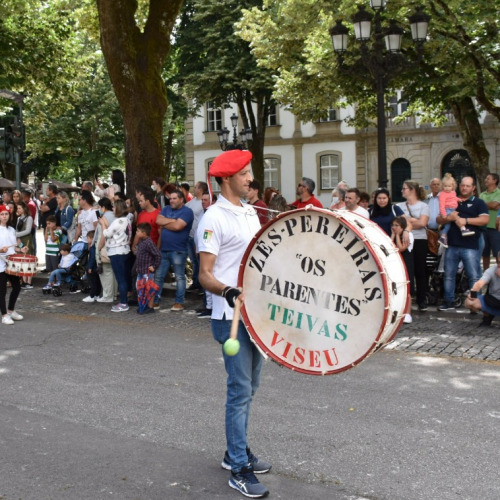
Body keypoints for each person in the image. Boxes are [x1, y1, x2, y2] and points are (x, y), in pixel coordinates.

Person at [198, 149, 271, 499]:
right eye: (244, 174)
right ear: (226, 179)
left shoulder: (249, 213)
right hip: (230, 318)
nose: (250, 179)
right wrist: (228, 292)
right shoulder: (213, 217)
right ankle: (239, 467)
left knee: (251, 387)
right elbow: (205, 275)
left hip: (256, 315)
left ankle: (233, 451)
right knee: (240, 390)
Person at [437, 176, 489, 311]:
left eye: (467, 186)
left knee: (474, 276)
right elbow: (438, 219)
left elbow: (484, 220)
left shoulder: (479, 202)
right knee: (449, 275)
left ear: (473, 188)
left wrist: (466, 221)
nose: (464, 188)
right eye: (462, 185)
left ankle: (475, 304)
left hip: (470, 245)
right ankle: (449, 302)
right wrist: (449, 218)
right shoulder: (452, 198)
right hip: (452, 245)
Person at [154, 190, 194, 311]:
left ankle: (179, 302)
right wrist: (173, 221)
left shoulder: (187, 211)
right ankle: (155, 300)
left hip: (178, 250)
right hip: (164, 249)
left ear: (182, 199)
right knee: (158, 276)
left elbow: (178, 227)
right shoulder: (166, 208)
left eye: (174, 198)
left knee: (179, 277)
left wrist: (166, 223)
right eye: (170, 198)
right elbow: (158, 220)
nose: (171, 200)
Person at [398, 180, 430, 312]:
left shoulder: (424, 206)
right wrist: (413, 221)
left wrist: (408, 221)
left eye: (404, 188)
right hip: (405, 240)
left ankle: (422, 299)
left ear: (412, 190)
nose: (402, 191)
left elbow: (423, 223)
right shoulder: (399, 206)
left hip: (420, 240)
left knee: (420, 270)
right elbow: (400, 223)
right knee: (406, 270)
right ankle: (407, 299)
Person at [100, 199, 133, 313]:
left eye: (114, 207)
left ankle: (123, 303)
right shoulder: (128, 220)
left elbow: (107, 234)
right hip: (125, 251)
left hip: (116, 252)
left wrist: (103, 224)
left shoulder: (118, 221)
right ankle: (125, 300)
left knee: (120, 278)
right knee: (124, 277)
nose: (112, 209)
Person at [0, 204, 25, 325]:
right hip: (0, 263)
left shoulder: (11, 229)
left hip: (11, 262)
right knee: (2, 290)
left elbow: (16, 244)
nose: (4, 216)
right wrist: (1, 250)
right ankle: (4, 315)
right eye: (2, 214)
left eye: (6, 214)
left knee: (17, 287)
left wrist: (22, 249)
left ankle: (10, 310)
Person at [438, 173, 474, 248]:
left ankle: (443, 237)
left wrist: (459, 199)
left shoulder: (453, 192)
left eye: (449, 186)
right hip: (447, 210)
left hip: (453, 209)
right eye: (445, 186)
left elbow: (454, 198)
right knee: (456, 219)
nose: (447, 188)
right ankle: (463, 229)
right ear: (442, 186)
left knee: (449, 224)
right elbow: (441, 205)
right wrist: (444, 214)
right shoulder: (442, 194)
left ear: (453, 186)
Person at [465, 252, 500, 327]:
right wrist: (472, 294)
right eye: (499, 262)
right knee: (469, 302)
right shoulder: (492, 270)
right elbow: (479, 283)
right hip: (493, 300)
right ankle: (487, 316)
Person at [134, 222, 161, 314]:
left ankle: (150, 306)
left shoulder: (149, 243)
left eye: (138, 231)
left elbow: (157, 255)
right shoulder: (141, 241)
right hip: (140, 270)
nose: (136, 233)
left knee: (149, 289)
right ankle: (143, 305)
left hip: (147, 271)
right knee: (141, 289)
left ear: (144, 233)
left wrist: (154, 266)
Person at [391, 216, 414, 324]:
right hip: (396, 263)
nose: (394, 227)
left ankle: (408, 313)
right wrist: (393, 235)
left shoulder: (408, 235)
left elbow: (401, 248)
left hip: (406, 262)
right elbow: (390, 246)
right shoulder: (395, 234)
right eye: (393, 225)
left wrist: (396, 236)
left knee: (407, 289)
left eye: (397, 226)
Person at [186, 181, 208, 291]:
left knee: (200, 261)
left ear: (201, 189)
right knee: (194, 261)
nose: (193, 189)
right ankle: (195, 282)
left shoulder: (203, 204)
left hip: (199, 238)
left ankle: (202, 285)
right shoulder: (191, 202)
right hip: (190, 236)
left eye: (195, 187)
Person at [95, 197, 117, 303]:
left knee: (105, 271)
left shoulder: (104, 217)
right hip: (114, 247)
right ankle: (114, 294)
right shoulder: (115, 215)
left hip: (104, 247)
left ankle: (107, 295)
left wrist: (99, 247)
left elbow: (104, 234)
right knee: (113, 271)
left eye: (99, 207)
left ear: (103, 207)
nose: (99, 209)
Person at [480, 173, 500, 271]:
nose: (485, 180)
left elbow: (495, 205)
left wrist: (483, 205)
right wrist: (490, 205)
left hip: (495, 229)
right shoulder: (482, 194)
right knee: (485, 254)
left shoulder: (499, 193)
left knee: (498, 254)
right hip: (483, 228)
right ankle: (486, 276)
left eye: (488, 178)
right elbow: (480, 208)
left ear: (495, 181)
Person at [15, 201, 35, 289]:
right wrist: (17, 239)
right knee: (21, 260)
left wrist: (16, 235)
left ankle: (29, 282)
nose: (18, 210)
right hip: (20, 240)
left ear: (24, 209)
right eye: (17, 208)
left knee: (28, 260)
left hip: (27, 240)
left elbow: (28, 230)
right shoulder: (18, 218)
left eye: (19, 208)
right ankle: (24, 281)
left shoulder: (29, 218)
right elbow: (16, 230)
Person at [82, 230, 102, 303]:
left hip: (92, 268)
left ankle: (92, 295)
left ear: (91, 238)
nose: (87, 240)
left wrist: (89, 267)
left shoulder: (92, 247)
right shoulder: (95, 246)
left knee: (93, 282)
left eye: (88, 238)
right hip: (96, 267)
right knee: (97, 282)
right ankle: (96, 294)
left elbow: (92, 258)